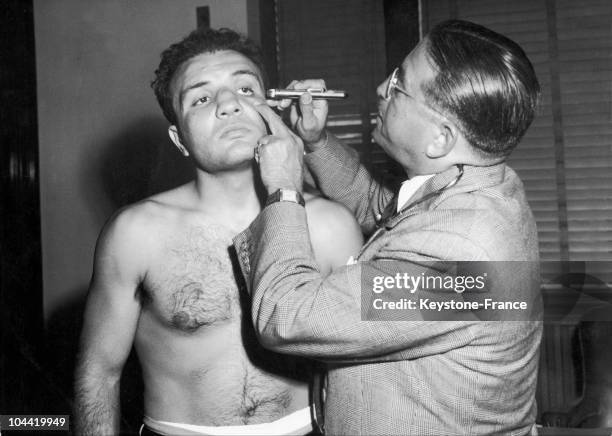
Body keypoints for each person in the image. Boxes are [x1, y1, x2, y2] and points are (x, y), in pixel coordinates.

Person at [234, 19, 543, 435]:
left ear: (440, 139)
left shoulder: (463, 258)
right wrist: (315, 141)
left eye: (398, 85)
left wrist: (283, 189)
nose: (382, 87)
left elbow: (285, 317)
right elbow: (384, 212)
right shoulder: (478, 186)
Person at [73, 27, 363, 436]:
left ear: (273, 109)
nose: (228, 104)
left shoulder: (332, 225)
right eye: (202, 97)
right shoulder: (135, 234)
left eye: (246, 89)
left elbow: (428, 312)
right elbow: (99, 373)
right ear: (179, 138)